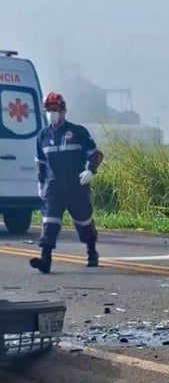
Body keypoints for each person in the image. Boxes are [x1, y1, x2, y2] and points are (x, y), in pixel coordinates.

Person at [29, 92, 103, 273]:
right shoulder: (42, 136)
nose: (51, 114)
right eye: (48, 110)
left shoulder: (78, 132)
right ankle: (45, 260)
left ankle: (91, 251)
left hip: (76, 186)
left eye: (54, 110)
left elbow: (95, 154)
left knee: (84, 222)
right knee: (49, 222)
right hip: (54, 187)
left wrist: (90, 170)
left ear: (63, 111)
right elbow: (41, 163)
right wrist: (41, 184)